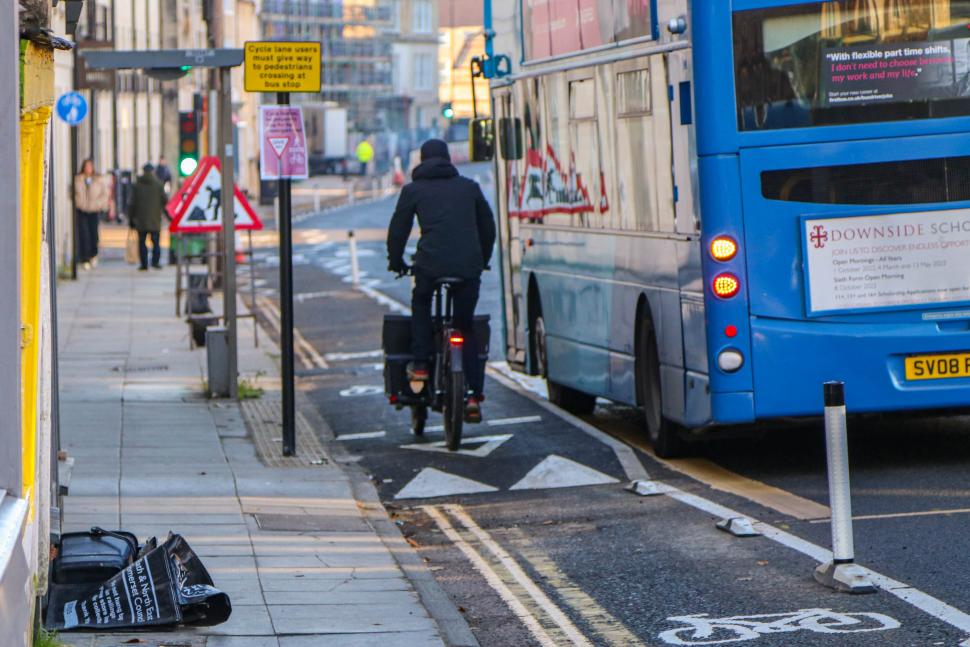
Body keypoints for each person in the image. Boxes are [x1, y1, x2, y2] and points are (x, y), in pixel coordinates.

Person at [387, 139, 496, 422]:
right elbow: (488, 227)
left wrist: (395, 261)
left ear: (421, 161)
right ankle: (472, 395)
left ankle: (421, 365)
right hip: (468, 269)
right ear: (448, 160)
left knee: (421, 303)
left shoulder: (413, 190)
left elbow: (398, 230)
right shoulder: (469, 188)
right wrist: (481, 259)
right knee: (465, 327)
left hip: (430, 266)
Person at [128, 163, 168, 271]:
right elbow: (165, 202)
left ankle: (144, 264)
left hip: (140, 220)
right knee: (156, 243)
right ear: (153, 171)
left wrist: (131, 219)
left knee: (142, 242)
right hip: (155, 220)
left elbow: (132, 204)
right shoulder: (159, 185)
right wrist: (170, 217)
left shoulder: (137, 185)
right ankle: (155, 262)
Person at [73, 158, 111, 269]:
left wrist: (99, 204)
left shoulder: (98, 180)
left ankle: (93, 255)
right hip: (82, 209)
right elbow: (73, 193)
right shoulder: (78, 179)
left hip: (94, 210)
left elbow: (105, 194)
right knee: (83, 234)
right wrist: (79, 202)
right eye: (86, 166)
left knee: (93, 234)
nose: (88, 168)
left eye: (90, 166)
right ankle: (84, 258)